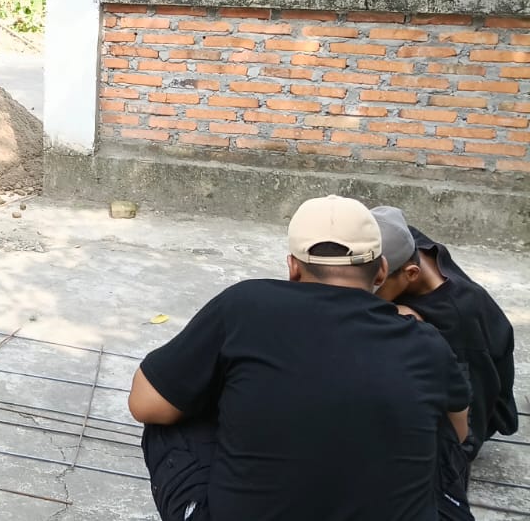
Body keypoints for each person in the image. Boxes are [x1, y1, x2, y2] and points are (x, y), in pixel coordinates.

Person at [130, 195, 471, 521]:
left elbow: (144, 403)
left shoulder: (245, 306)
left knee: (173, 402)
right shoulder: (427, 342)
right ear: (381, 271)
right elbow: (456, 434)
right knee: (435, 422)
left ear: (293, 267)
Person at [372, 209, 519, 478]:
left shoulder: (458, 320)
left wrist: (408, 324)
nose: (364, 293)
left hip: (479, 405)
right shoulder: (405, 243)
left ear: (410, 273)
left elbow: (467, 432)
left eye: (374, 287)